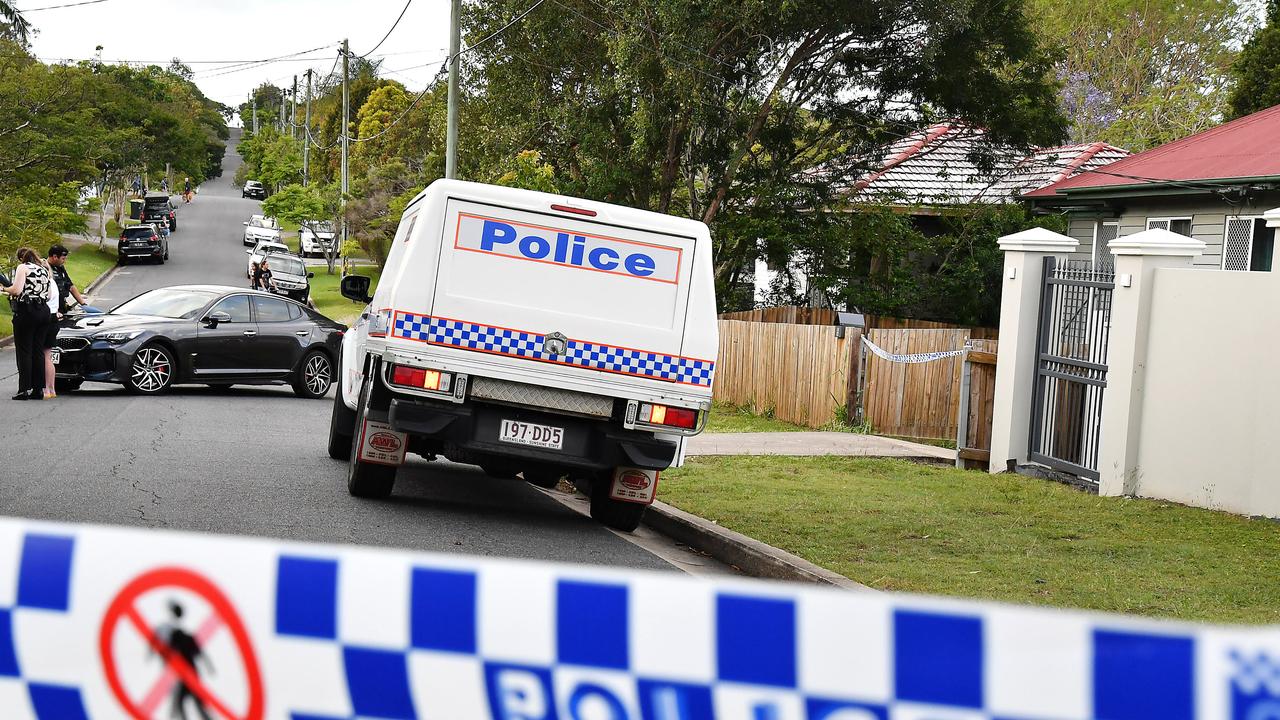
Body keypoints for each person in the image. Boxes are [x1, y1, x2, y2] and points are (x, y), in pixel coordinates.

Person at [3, 248, 53, 400]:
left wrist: (4, 289)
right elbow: (49, 295)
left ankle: (23, 389)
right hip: (44, 311)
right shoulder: (44, 269)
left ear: (21, 258)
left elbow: (17, 290)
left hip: (27, 311)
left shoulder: (22, 267)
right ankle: (38, 389)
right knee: (38, 351)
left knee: (24, 351)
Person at [47, 245, 101, 314]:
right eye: (63, 259)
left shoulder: (60, 268)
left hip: (62, 307)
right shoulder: (45, 269)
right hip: (52, 310)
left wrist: (83, 305)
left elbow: (71, 286)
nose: (64, 261)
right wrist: (54, 311)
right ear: (55, 257)